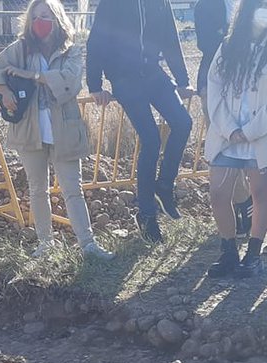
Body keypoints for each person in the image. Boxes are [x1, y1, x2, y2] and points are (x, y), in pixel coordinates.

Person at [0, 0, 115, 260]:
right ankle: (46, 244)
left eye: (46, 16)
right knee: (37, 189)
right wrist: (5, 90)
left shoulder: (71, 51)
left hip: (63, 128)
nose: (40, 22)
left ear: (57, 18)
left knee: (72, 188)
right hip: (29, 128)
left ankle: (88, 245)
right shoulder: (20, 48)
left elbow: (69, 82)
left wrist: (30, 75)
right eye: (35, 17)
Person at [86, 0, 195, 243]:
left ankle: (164, 186)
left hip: (154, 74)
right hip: (125, 79)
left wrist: (182, 78)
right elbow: (96, 41)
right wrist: (95, 85)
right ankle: (146, 215)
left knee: (183, 123)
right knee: (151, 140)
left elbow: (170, 38)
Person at [203, 0, 267, 278]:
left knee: (260, 192)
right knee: (219, 193)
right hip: (227, 134)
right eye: (261, 5)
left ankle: (253, 254)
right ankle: (228, 251)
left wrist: (252, 129)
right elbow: (214, 88)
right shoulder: (229, 45)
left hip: (261, 135)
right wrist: (230, 128)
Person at [195, 0, 255, 238]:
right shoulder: (206, 5)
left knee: (244, 147)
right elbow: (205, 43)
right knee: (224, 148)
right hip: (215, 85)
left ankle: (247, 202)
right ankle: (242, 203)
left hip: (249, 85)